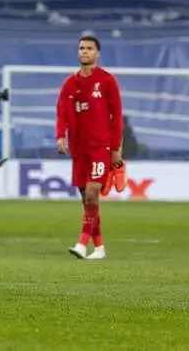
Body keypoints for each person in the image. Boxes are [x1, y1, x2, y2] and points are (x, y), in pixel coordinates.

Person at [56, 35, 123, 260]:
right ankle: (100, 247)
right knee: (87, 199)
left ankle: (82, 243)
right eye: (81, 48)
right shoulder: (70, 83)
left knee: (93, 192)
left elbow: (117, 117)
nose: (84, 52)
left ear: (97, 53)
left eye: (89, 48)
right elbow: (62, 112)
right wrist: (60, 136)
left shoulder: (107, 81)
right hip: (79, 149)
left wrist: (115, 149)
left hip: (100, 147)